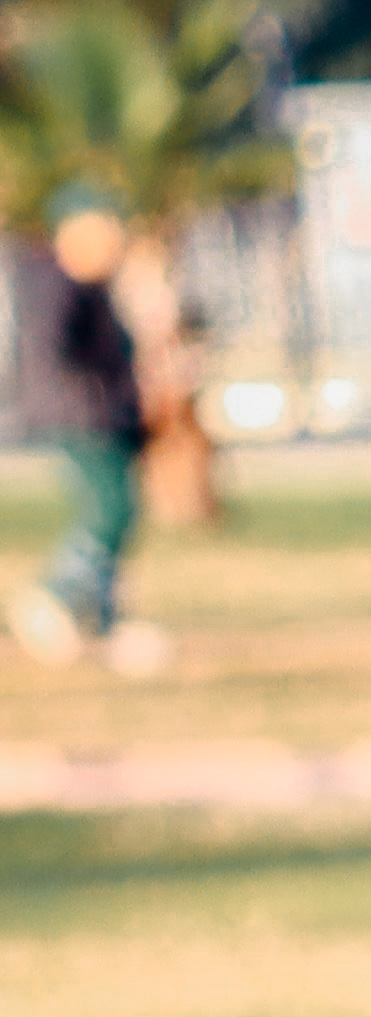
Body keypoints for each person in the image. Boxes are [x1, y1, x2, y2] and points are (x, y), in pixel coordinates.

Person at [15, 200, 164, 675]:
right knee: (110, 510)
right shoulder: (58, 285)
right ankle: (55, 595)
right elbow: (56, 354)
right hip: (83, 418)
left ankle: (104, 618)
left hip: (106, 416)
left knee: (120, 514)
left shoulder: (92, 287)